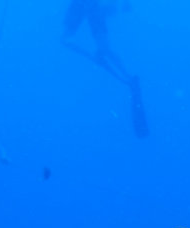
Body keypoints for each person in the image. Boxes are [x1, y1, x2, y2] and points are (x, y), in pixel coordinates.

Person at [62, 0, 149, 138]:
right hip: (88, 6)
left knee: (71, 40)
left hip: (89, 6)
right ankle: (127, 76)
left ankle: (127, 77)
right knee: (74, 41)